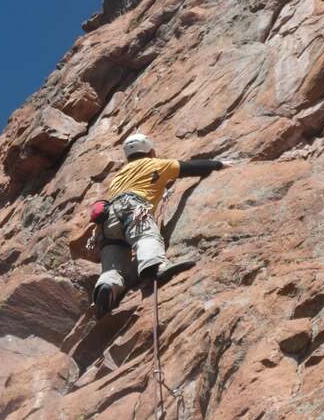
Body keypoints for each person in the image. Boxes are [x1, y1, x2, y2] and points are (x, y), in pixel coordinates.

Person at [93, 132, 230, 318]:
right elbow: (189, 167)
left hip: (107, 221)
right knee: (146, 236)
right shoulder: (155, 164)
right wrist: (219, 164)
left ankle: (107, 288)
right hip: (133, 207)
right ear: (151, 151)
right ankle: (155, 267)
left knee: (112, 266)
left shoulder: (119, 176)